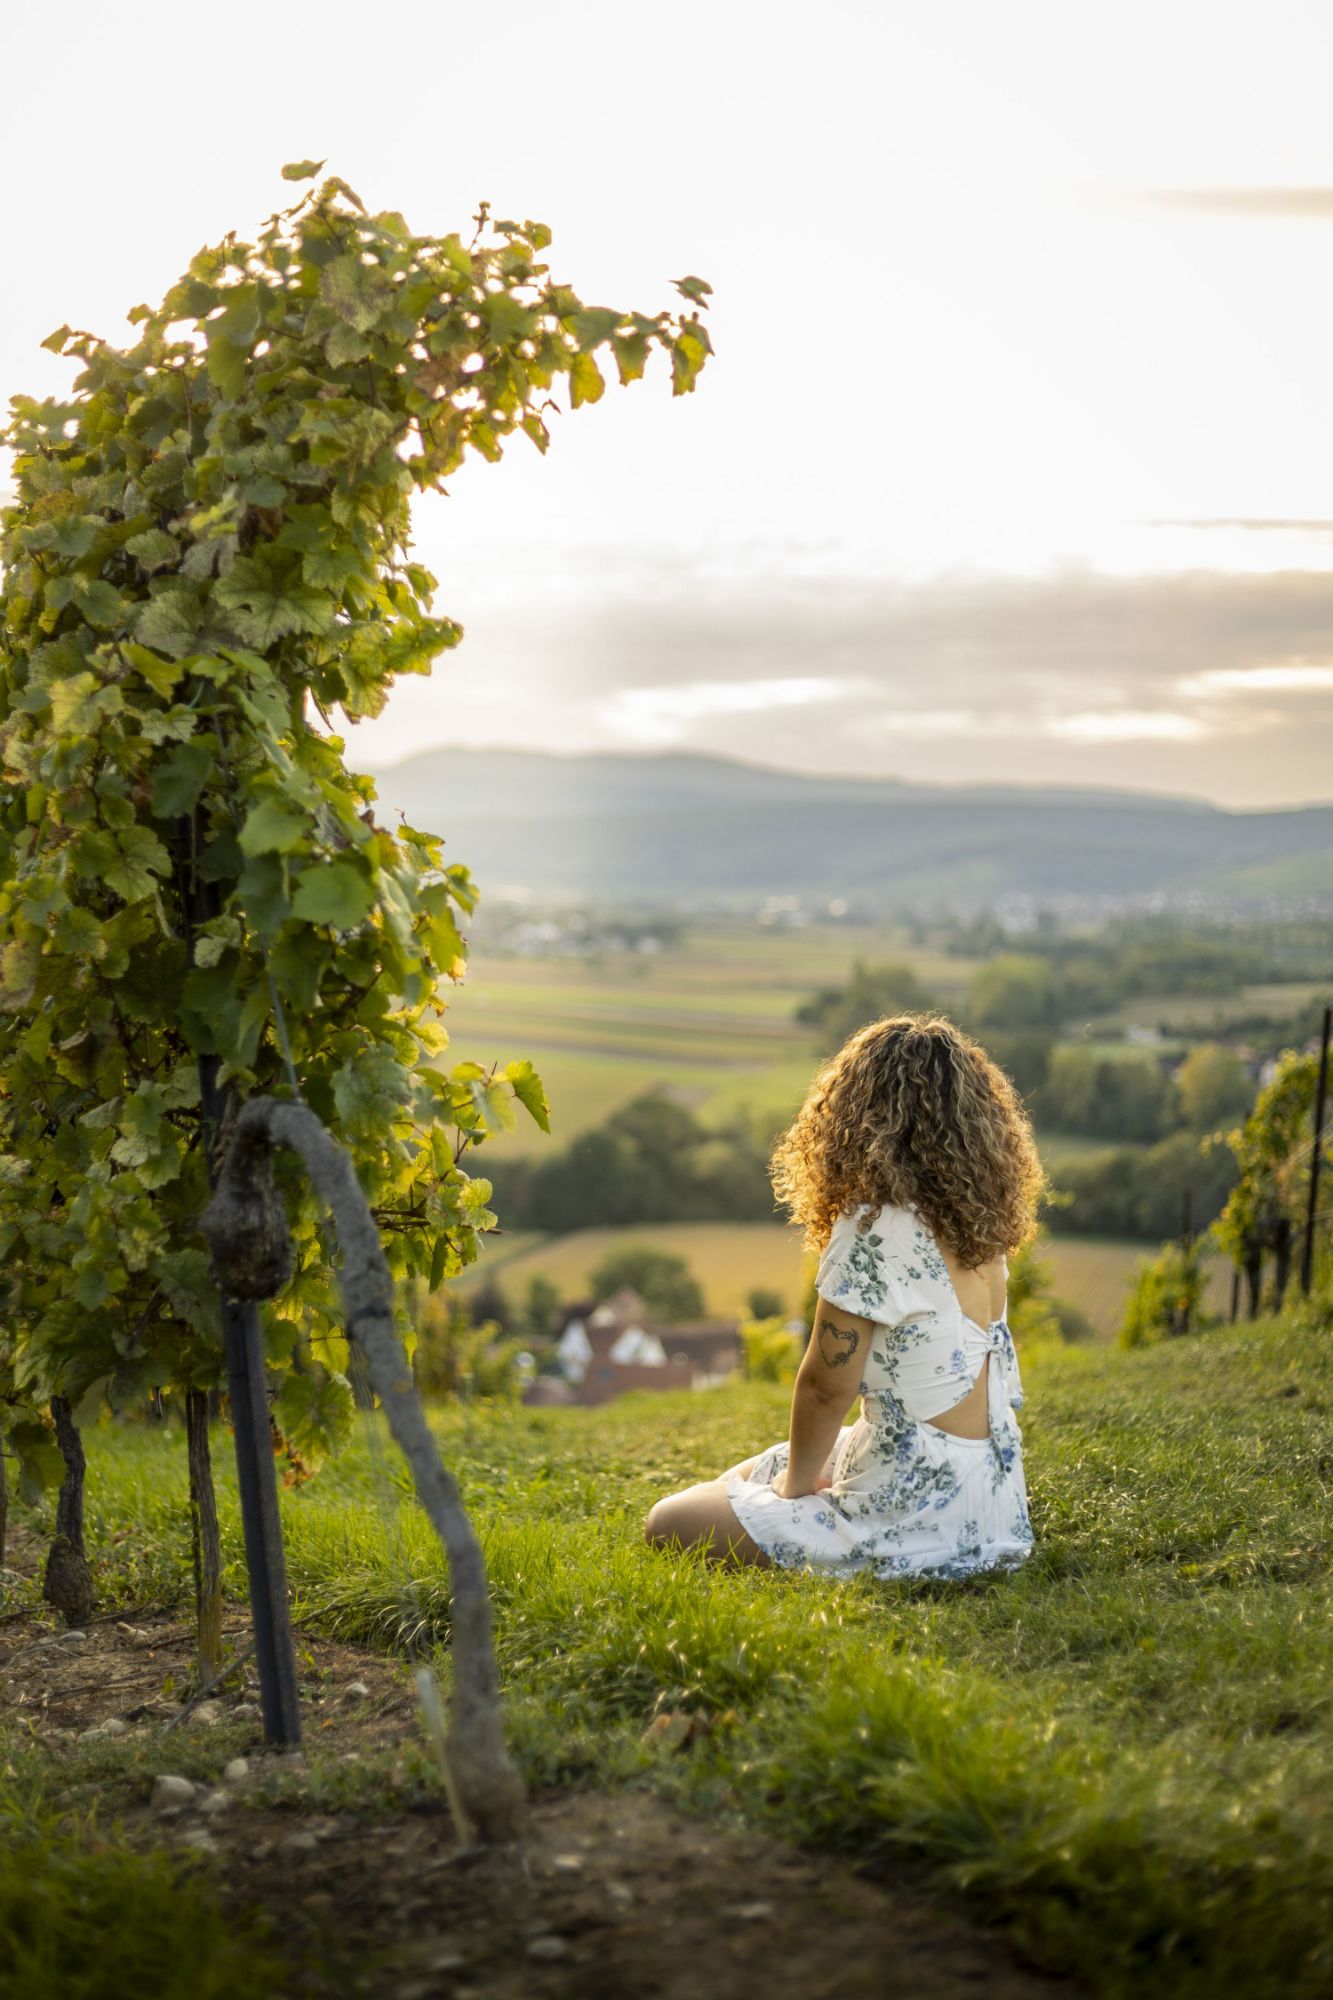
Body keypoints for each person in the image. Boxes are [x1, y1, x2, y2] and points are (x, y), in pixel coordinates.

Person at [644, 1014, 1048, 1579]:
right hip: (992, 1506)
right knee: (759, 1468)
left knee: (668, 1520)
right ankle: (766, 1499)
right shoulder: (979, 1229)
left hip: (915, 1517)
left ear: (857, 1118)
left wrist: (794, 1491)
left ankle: (783, 1509)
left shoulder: (875, 1228)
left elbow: (824, 1388)